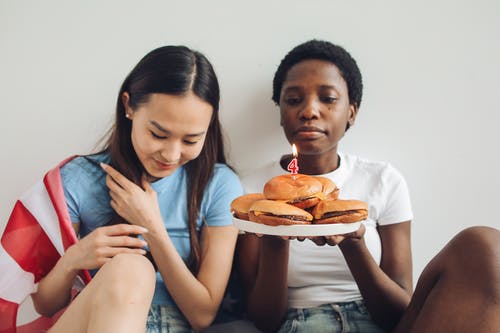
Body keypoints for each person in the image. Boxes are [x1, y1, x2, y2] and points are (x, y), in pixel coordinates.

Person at [237, 40, 500, 333]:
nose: (309, 111)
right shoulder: (254, 191)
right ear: (280, 109)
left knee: (485, 244)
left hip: (378, 323)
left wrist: (354, 243)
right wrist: (276, 234)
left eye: (328, 98)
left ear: (352, 111)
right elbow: (263, 320)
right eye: (294, 99)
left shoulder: (383, 180)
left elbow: (398, 312)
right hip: (299, 324)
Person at [30, 45, 243, 332]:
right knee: (131, 267)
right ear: (129, 106)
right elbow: (44, 305)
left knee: (135, 267)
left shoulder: (218, 185)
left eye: (191, 140)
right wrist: (72, 260)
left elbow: (202, 315)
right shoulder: (78, 178)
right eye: (158, 134)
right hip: (92, 320)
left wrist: (152, 227)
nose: (170, 154)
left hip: (174, 322)